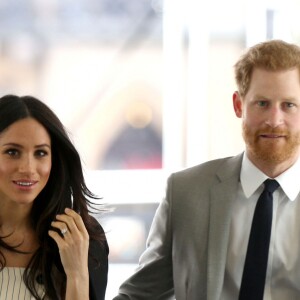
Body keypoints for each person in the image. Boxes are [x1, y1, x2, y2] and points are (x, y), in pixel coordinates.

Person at [113, 39, 300, 300]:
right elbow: (140, 294)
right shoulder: (186, 192)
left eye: (288, 105)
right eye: (262, 103)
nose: (274, 120)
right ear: (238, 105)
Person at [0, 95, 108, 299]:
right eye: (13, 152)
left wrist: (77, 274)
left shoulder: (82, 238)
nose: (28, 168)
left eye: (40, 153)